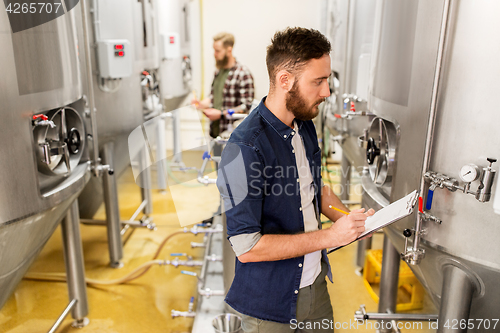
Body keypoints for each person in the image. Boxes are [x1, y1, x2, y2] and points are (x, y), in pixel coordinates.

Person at [217, 27, 375, 332]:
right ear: (285, 80)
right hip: (270, 305)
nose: (327, 92)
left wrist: (351, 223)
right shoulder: (243, 149)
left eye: (327, 80)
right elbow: (247, 247)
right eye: (318, 81)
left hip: (315, 286)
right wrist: (332, 236)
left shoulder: (304, 125)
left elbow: (316, 188)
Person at [192, 32, 255, 138]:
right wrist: (201, 104)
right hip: (215, 133)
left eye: (217, 51)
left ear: (229, 50)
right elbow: (213, 97)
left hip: (233, 135)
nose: (214, 54)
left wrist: (221, 114)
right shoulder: (218, 72)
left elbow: (246, 106)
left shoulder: (243, 73)